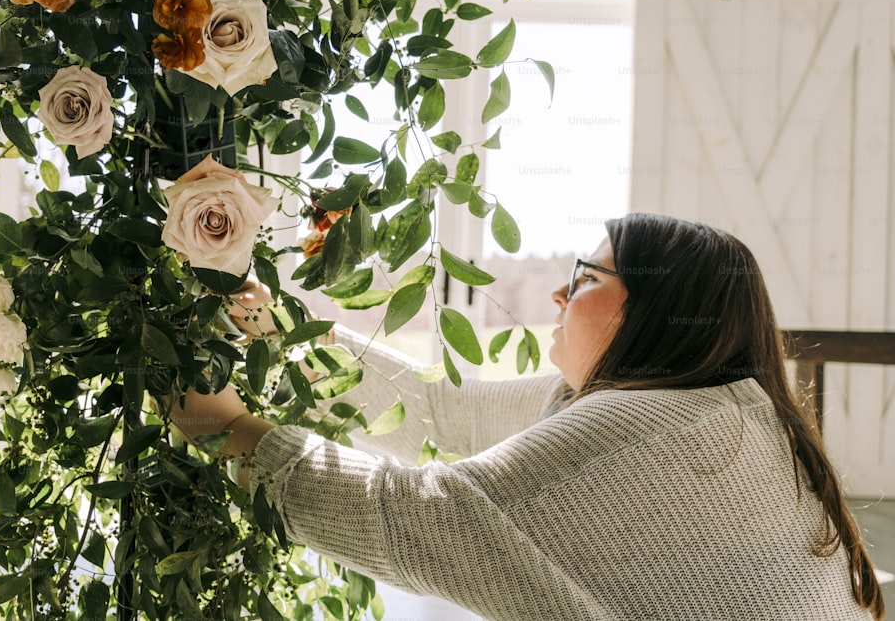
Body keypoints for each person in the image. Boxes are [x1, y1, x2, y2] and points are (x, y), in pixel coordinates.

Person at [165, 213, 885, 620]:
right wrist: (276, 327)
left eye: (585, 279)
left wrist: (226, 428)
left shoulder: (654, 433)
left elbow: (418, 517)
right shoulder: (709, 404)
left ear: (654, 312)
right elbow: (437, 412)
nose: (558, 296)